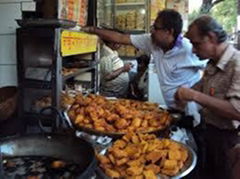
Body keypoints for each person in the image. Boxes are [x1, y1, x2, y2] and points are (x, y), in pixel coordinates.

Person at [83, 9, 207, 111]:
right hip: (171, 108)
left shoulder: (189, 48)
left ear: (169, 32)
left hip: (193, 110)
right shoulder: (151, 41)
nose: (151, 31)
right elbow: (121, 37)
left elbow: (211, 69)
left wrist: (193, 91)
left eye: (155, 28)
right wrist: (93, 30)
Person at [175, 15, 240, 179]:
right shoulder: (212, 63)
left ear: (211, 37)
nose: (193, 50)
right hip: (208, 133)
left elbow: (236, 111)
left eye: (196, 44)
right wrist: (184, 93)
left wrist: (194, 95)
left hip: (228, 142)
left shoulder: (237, 64)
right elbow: (202, 88)